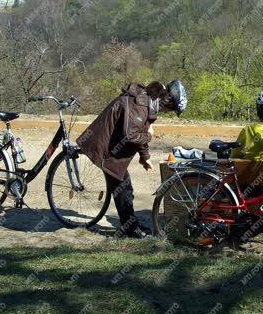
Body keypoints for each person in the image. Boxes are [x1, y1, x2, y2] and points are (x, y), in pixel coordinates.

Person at [77, 80, 187, 239]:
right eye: (172, 110)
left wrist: (145, 157)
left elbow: (140, 129)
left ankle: (130, 224)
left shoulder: (148, 102)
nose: (169, 113)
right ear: (168, 101)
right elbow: (131, 135)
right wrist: (149, 135)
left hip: (112, 144)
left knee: (124, 188)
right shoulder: (141, 106)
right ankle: (130, 229)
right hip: (105, 146)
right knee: (123, 188)